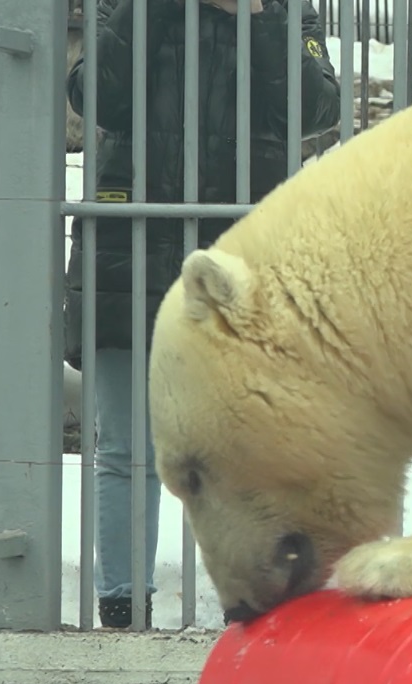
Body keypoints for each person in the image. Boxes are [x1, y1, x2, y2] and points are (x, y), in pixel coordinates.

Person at [63, 0, 343, 629]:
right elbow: (95, 95)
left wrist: (262, 15)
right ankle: (121, 607)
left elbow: (314, 109)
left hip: (242, 257)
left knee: (247, 447)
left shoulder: (288, 12)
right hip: (130, 248)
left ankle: (248, 608)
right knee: (126, 445)